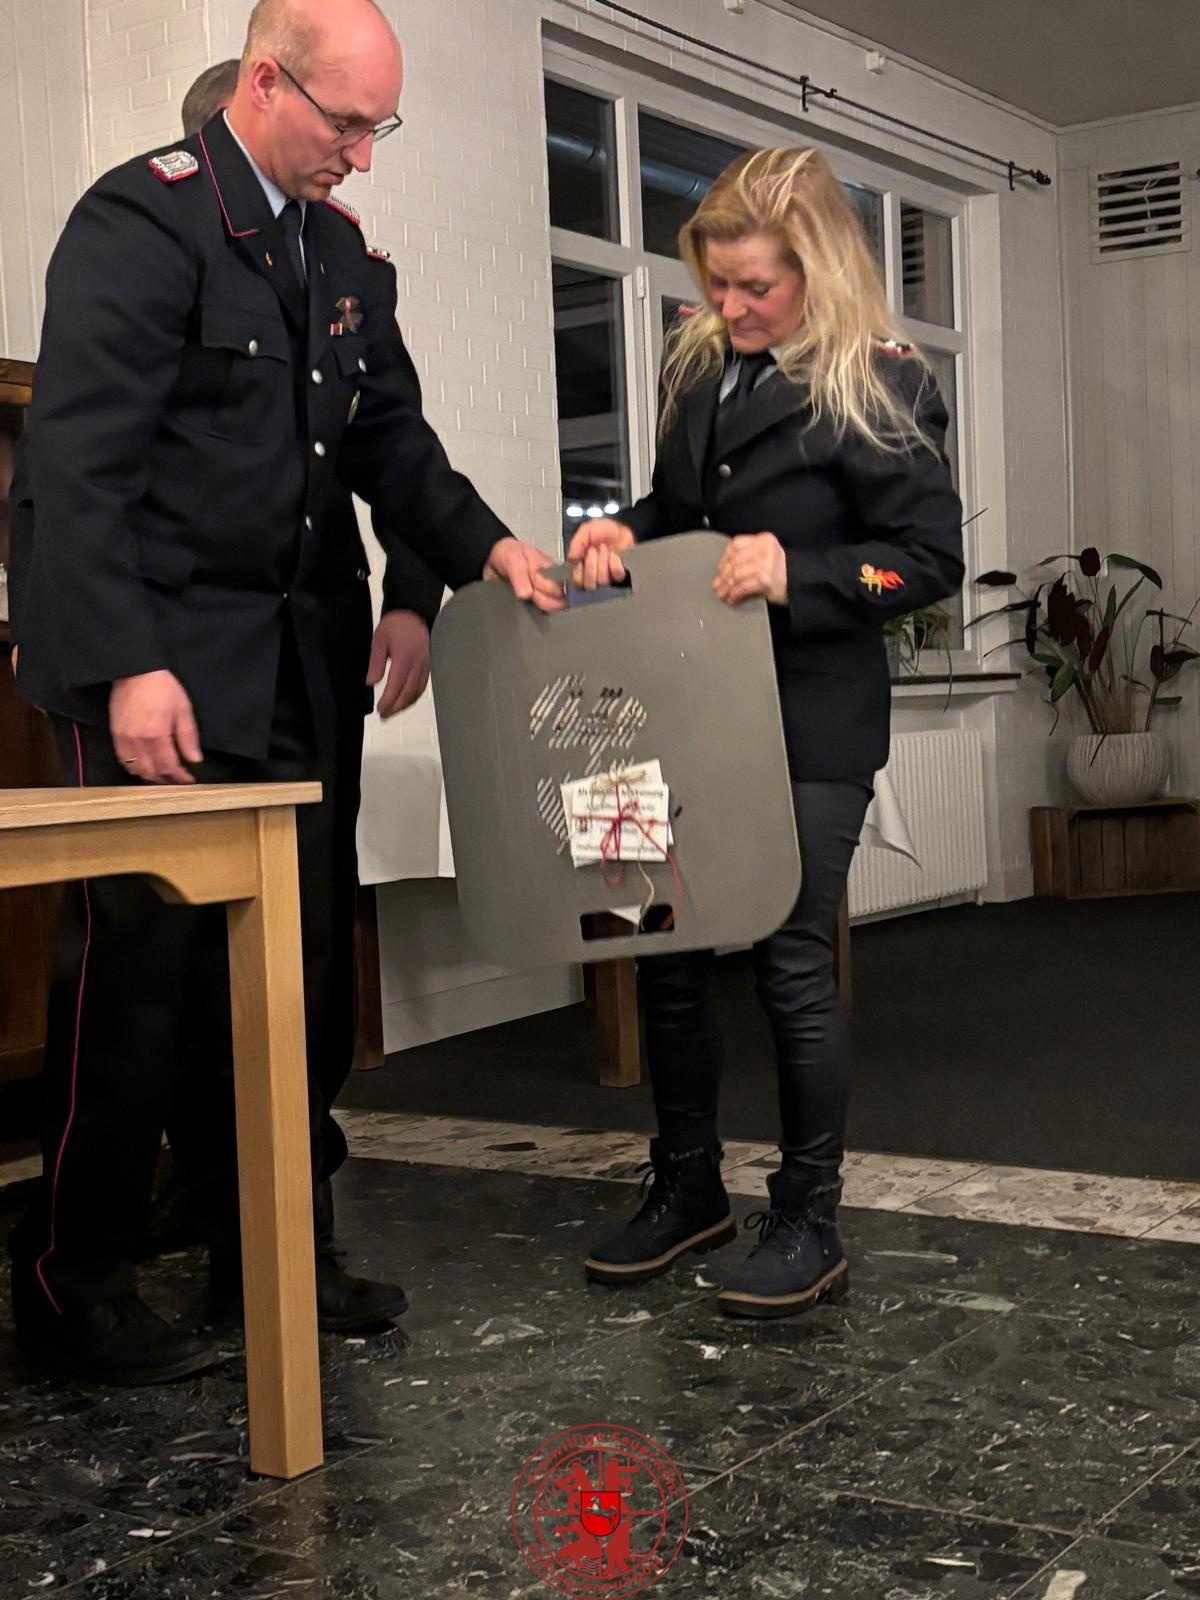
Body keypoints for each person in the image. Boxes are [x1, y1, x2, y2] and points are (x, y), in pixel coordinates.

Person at [6, 0, 562, 1385]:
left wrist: (483, 551)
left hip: (295, 670)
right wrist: (128, 662)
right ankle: (74, 1281)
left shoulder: (340, 253)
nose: (363, 154)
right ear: (266, 82)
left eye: (380, 128)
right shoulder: (142, 222)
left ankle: (264, 1253)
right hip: (158, 672)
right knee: (136, 979)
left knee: (291, 978)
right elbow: (77, 466)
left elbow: (393, 442)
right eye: (349, 124)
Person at [569, 147, 963, 1320]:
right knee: (659, 949)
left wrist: (804, 571)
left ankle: (808, 1216)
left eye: (757, 286)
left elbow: (926, 560)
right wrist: (621, 533)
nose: (730, 306)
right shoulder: (702, 364)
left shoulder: (881, 381)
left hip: (810, 714)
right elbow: (683, 510)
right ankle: (688, 1185)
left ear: (819, 270)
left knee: (791, 961)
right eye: (717, 281)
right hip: (680, 702)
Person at [137, 60, 447, 1265]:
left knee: (310, 933)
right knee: (176, 947)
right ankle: (207, 1189)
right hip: (191, 659)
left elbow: (398, 443)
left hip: (315, 647)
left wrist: (414, 596)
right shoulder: (159, 248)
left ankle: (290, 1206)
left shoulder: (348, 265)